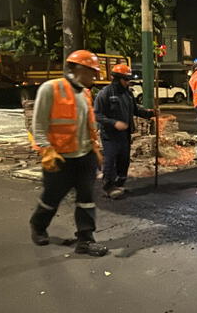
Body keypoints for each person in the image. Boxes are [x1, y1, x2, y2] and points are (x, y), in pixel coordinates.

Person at [29, 50, 108, 257]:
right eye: (93, 71)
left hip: (84, 157)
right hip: (60, 157)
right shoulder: (51, 89)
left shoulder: (85, 93)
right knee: (52, 197)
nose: (95, 76)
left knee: (86, 199)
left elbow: (88, 126)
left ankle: (85, 240)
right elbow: (38, 124)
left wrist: (96, 150)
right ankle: (38, 225)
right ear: (79, 68)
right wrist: (46, 150)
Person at [94, 64, 155, 199]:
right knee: (111, 160)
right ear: (118, 79)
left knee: (124, 160)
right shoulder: (105, 93)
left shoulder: (128, 93)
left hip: (125, 134)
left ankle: (119, 184)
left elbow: (135, 109)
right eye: (126, 79)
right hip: (110, 135)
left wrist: (150, 114)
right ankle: (108, 187)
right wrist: (114, 123)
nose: (128, 82)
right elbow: (97, 115)